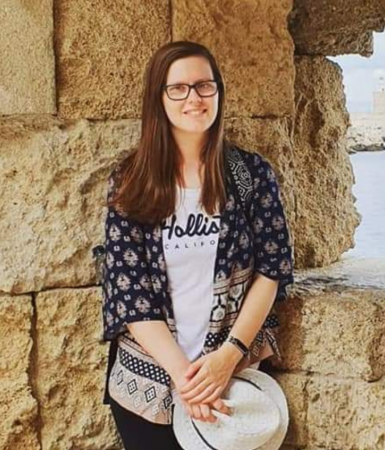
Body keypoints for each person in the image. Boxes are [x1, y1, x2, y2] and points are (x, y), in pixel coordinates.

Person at [98, 41, 294, 450]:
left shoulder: (250, 175)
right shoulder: (132, 182)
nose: (194, 98)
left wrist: (227, 358)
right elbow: (130, 294)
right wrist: (187, 380)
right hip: (147, 386)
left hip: (233, 380)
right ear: (159, 98)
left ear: (218, 92)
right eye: (179, 88)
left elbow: (273, 269)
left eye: (205, 86)